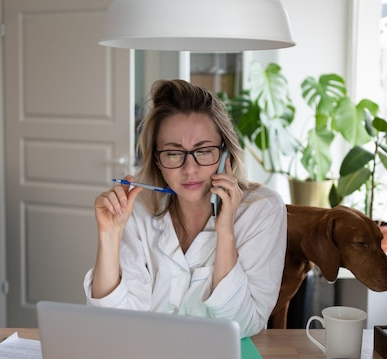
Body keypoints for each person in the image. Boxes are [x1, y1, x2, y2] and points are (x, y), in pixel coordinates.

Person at [83, 79, 287, 337]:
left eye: (203, 151)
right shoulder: (137, 206)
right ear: (157, 160)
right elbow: (110, 322)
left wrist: (225, 231)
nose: (190, 170)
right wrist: (109, 236)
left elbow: (244, 325)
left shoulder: (262, 209)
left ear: (225, 153)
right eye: (173, 153)